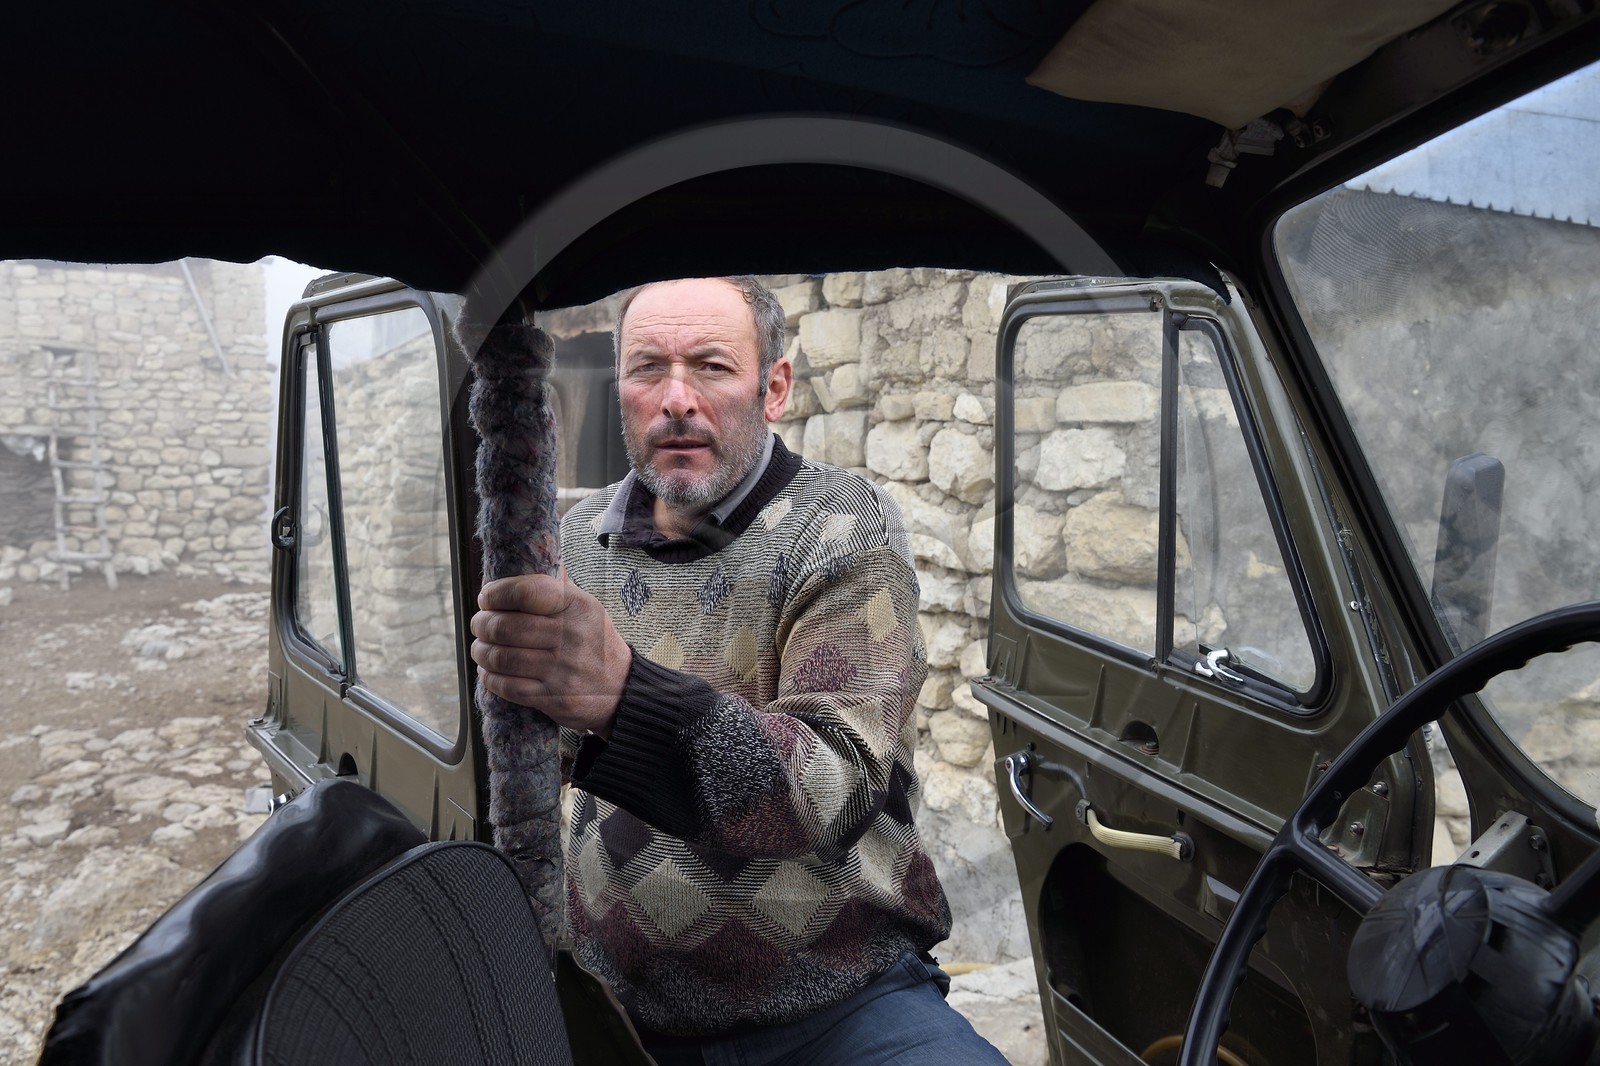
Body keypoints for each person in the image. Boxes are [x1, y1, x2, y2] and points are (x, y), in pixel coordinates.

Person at [469, 276, 1008, 1064]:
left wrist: (622, 697)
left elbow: (832, 791)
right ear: (619, 386)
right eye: (647, 367)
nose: (677, 399)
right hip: (618, 1008)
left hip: (838, 1005)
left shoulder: (841, 528)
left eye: (713, 367)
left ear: (775, 388)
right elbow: (535, 764)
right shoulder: (573, 540)